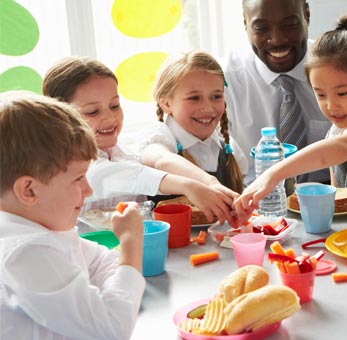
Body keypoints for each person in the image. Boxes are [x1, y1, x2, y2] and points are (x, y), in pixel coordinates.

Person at [234, 13, 347, 219]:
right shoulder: (336, 131)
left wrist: (273, 173)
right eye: (320, 94)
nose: (331, 105)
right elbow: (337, 200)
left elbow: (341, 148)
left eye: (342, 93)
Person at [0, 91, 145, 339]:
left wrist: (112, 293)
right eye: (78, 178)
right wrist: (131, 245)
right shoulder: (25, 252)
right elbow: (111, 329)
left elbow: (101, 261)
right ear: (29, 190)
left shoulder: (43, 230)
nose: (88, 190)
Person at [42, 56, 235, 223]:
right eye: (93, 111)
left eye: (115, 105)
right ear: (60, 116)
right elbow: (125, 175)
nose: (110, 118)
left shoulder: (124, 154)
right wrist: (189, 185)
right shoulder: (66, 165)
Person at [223, 0, 331, 184]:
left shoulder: (338, 69)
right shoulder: (224, 80)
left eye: (289, 25)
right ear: (245, 24)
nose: (277, 39)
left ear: (307, 15)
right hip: (254, 201)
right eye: (261, 28)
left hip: (334, 199)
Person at [138, 51, 248, 197]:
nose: (208, 108)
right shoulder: (158, 136)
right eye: (194, 98)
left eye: (216, 96)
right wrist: (210, 183)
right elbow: (160, 160)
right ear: (166, 103)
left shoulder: (229, 148)